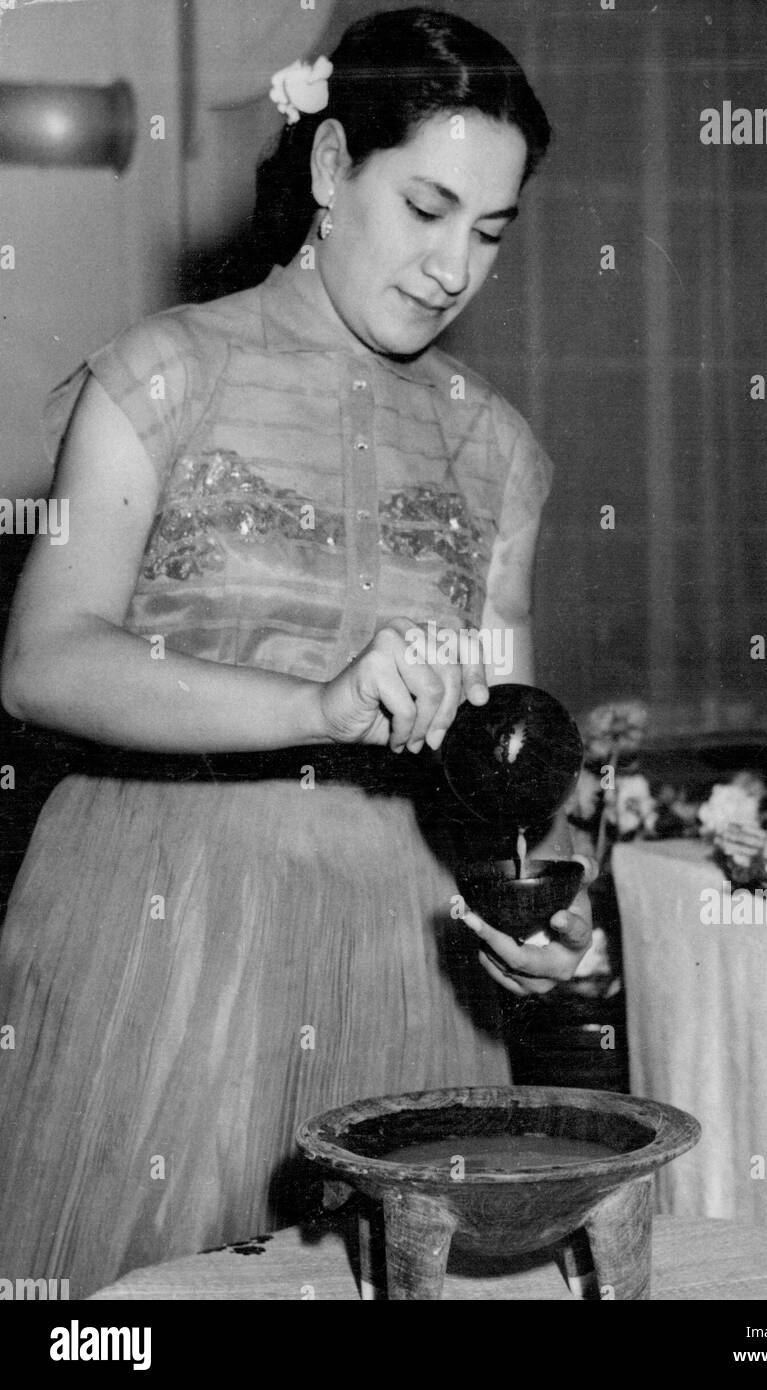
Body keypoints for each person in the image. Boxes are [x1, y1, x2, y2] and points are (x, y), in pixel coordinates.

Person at [0, 7, 594, 1297]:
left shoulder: (497, 453)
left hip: (404, 957)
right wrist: (315, 701)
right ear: (330, 170)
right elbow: (42, 660)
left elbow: (501, 764)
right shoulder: (162, 375)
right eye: (427, 208)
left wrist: (540, 905)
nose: (453, 267)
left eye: (489, 232)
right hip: (160, 942)